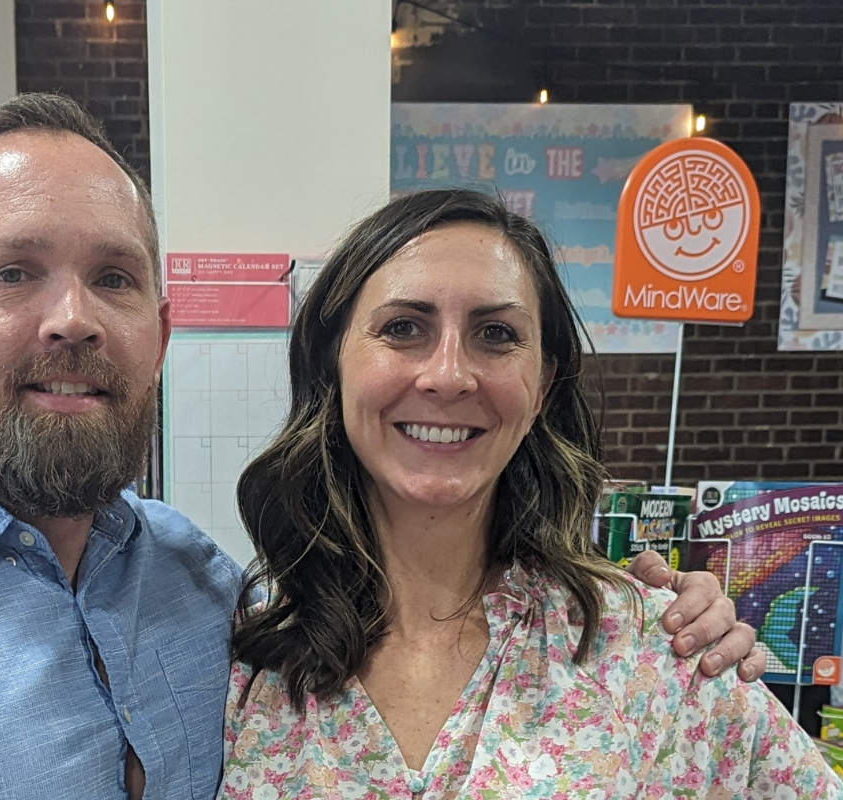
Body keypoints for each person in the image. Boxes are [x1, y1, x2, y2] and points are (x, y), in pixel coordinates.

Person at [0, 96, 758, 800]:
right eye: (14, 271)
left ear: (162, 334)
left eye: (116, 278)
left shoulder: (206, 591)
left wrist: (689, 619)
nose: (73, 316)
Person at [219, 188, 841, 799]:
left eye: (495, 334)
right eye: (404, 327)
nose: (449, 376)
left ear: (541, 384)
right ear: (334, 363)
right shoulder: (239, 659)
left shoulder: (655, 649)